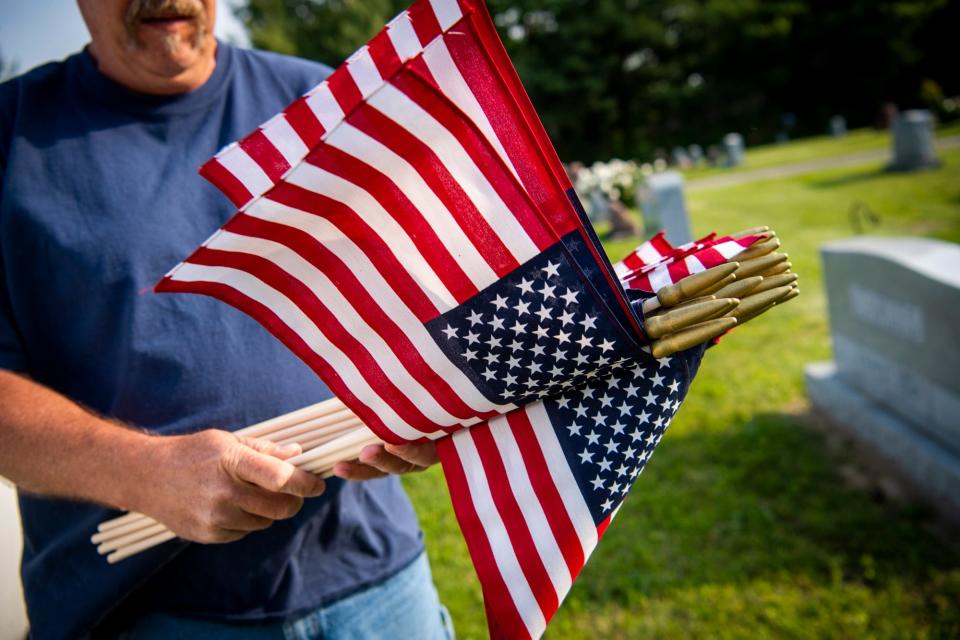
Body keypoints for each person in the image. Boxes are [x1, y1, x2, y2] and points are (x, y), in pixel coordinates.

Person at [0, 1, 451, 638]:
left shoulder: (320, 98)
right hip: (146, 609)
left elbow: (410, 294)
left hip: (374, 576)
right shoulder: (13, 136)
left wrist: (426, 400)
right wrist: (144, 474)